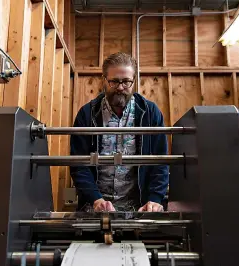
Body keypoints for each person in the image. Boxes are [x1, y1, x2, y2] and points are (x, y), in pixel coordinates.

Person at [70, 52, 169, 212]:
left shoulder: (150, 113)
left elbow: (161, 161)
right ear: (104, 80)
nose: (120, 87)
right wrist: (95, 199)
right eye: (114, 82)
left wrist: (154, 199)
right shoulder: (87, 114)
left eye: (126, 82)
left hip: (139, 209)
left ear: (134, 81)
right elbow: (78, 164)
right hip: (95, 208)